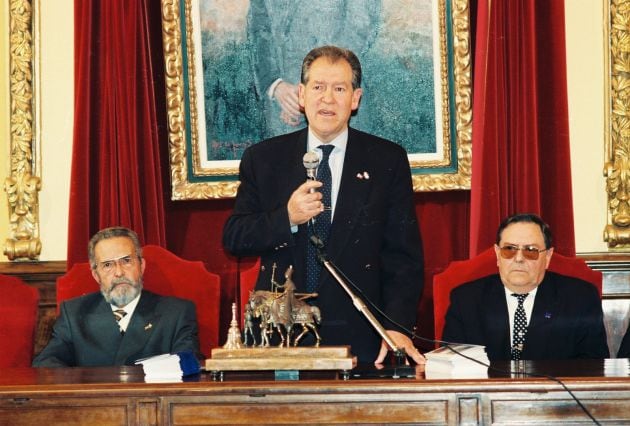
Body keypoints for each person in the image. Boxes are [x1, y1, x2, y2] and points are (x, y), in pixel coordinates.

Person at [223, 45, 425, 364]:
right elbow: (235, 238)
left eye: (339, 88)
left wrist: (397, 328)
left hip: (364, 338)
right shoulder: (264, 159)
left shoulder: (387, 160)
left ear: (355, 99)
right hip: (283, 335)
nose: (327, 98)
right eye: (318, 87)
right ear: (302, 95)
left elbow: (404, 259)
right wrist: (286, 216)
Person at [442, 213, 609, 361]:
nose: (519, 258)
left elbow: (593, 367)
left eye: (530, 250)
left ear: (548, 256)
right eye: (509, 249)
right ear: (497, 254)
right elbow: (452, 366)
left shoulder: (580, 299)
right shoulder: (466, 300)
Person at [33, 227, 200, 367]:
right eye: (107, 265)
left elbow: (188, 367)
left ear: (141, 266)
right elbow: (46, 364)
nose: (119, 272)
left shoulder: (176, 313)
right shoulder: (74, 314)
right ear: (96, 275)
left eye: (126, 261)